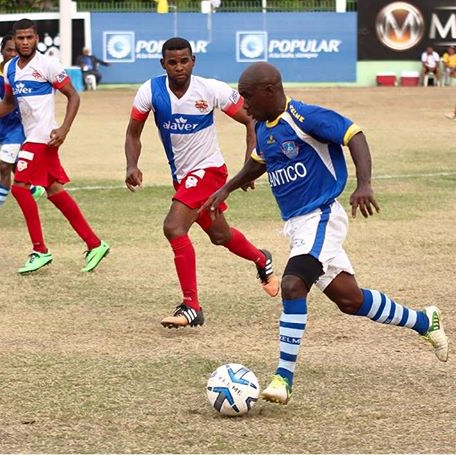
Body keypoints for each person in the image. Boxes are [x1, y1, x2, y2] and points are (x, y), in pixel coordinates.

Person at [201, 62, 449, 405]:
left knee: (292, 284)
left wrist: (364, 184)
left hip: (321, 216)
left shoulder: (305, 117)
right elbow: (259, 161)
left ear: (269, 91)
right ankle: (424, 321)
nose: (243, 104)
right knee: (350, 300)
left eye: (247, 96)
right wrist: (227, 188)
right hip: (297, 225)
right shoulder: (262, 125)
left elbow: (354, 135)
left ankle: (283, 379)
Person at [124, 37, 279, 328]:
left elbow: (251, 120)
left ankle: (191, 306)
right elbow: (133, 133)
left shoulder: (210, 89)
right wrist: (132, 164)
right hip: (183, 178)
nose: (179, 67)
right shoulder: (150, 91)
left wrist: (251, 161)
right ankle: (261, 259)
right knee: (220, 235)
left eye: (184, 61)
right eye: (172, 62)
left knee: (173, 227)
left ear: (193, 61)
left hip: (209, 172)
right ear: (163, 64)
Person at [0, 18, 110, 274]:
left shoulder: (48, 65)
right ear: (14, 40)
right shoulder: (11, 68)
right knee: (54, 190)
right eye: (20, 38)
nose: (25, 42)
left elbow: (73, 96)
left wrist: (64, 129)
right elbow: (9, 103)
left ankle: (40, 250)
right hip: (33, 138)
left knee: (19, 188)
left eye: (29, 37)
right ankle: (95, 244)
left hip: (44, 138)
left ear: (36, 38)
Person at [0, 35, 44, 227]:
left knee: (4, 166)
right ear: (2, 51)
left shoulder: (25, 73)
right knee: (14, 164)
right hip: (3, 127)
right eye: (9, 50)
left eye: (16, 50)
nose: (13, 54)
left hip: (20, 126)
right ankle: (33, 189)